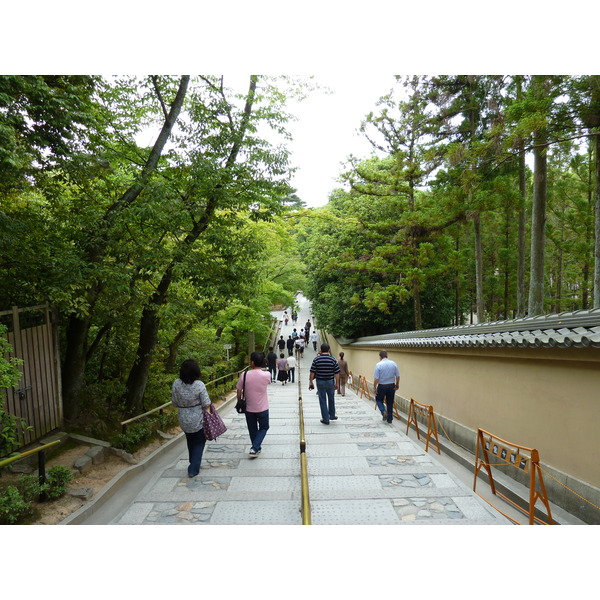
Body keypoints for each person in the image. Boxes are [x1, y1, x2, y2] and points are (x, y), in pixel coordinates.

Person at [171, 359, 212, 477]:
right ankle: (193, 468)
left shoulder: (176, 383)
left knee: (190, 439)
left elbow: (174, 402)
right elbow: (206, 403)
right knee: (199, 441)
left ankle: (192, 460)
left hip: (183, 416)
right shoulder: (199, 385)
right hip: (197, 416)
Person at [236, 351, 272, 457]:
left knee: (252, 429)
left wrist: (239, 400)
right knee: (264, 427)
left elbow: (239, 390)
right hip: (263, 407)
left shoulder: (245, 374)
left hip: (249, 407)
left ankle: (255, 447)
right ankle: (255, 447)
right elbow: (268, 382)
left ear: (252, 362)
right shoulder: (267, 375)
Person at [309, 343, 341, 424]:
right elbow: (337, 373)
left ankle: (326, 419)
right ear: (329, 350)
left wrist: (311, 381)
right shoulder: (333, 359)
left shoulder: (316, 359)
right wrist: (337, 383)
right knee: (331, 398)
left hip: (320, 381)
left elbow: (312, 371)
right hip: (330, 381)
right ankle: (332, 415)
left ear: (321, 350)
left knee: (322, 399)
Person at [373, 350, 400, 423]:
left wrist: (374, 387)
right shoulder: (393, 364)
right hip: (391, 385)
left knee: (379, 399)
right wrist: (397, 384)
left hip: (382, 386)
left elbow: (376, 379)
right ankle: (390, 419)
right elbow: (398, 376)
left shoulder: (378, 365)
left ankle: (383, 411)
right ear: (387, 356)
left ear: (380, 357)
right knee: (390, 402)